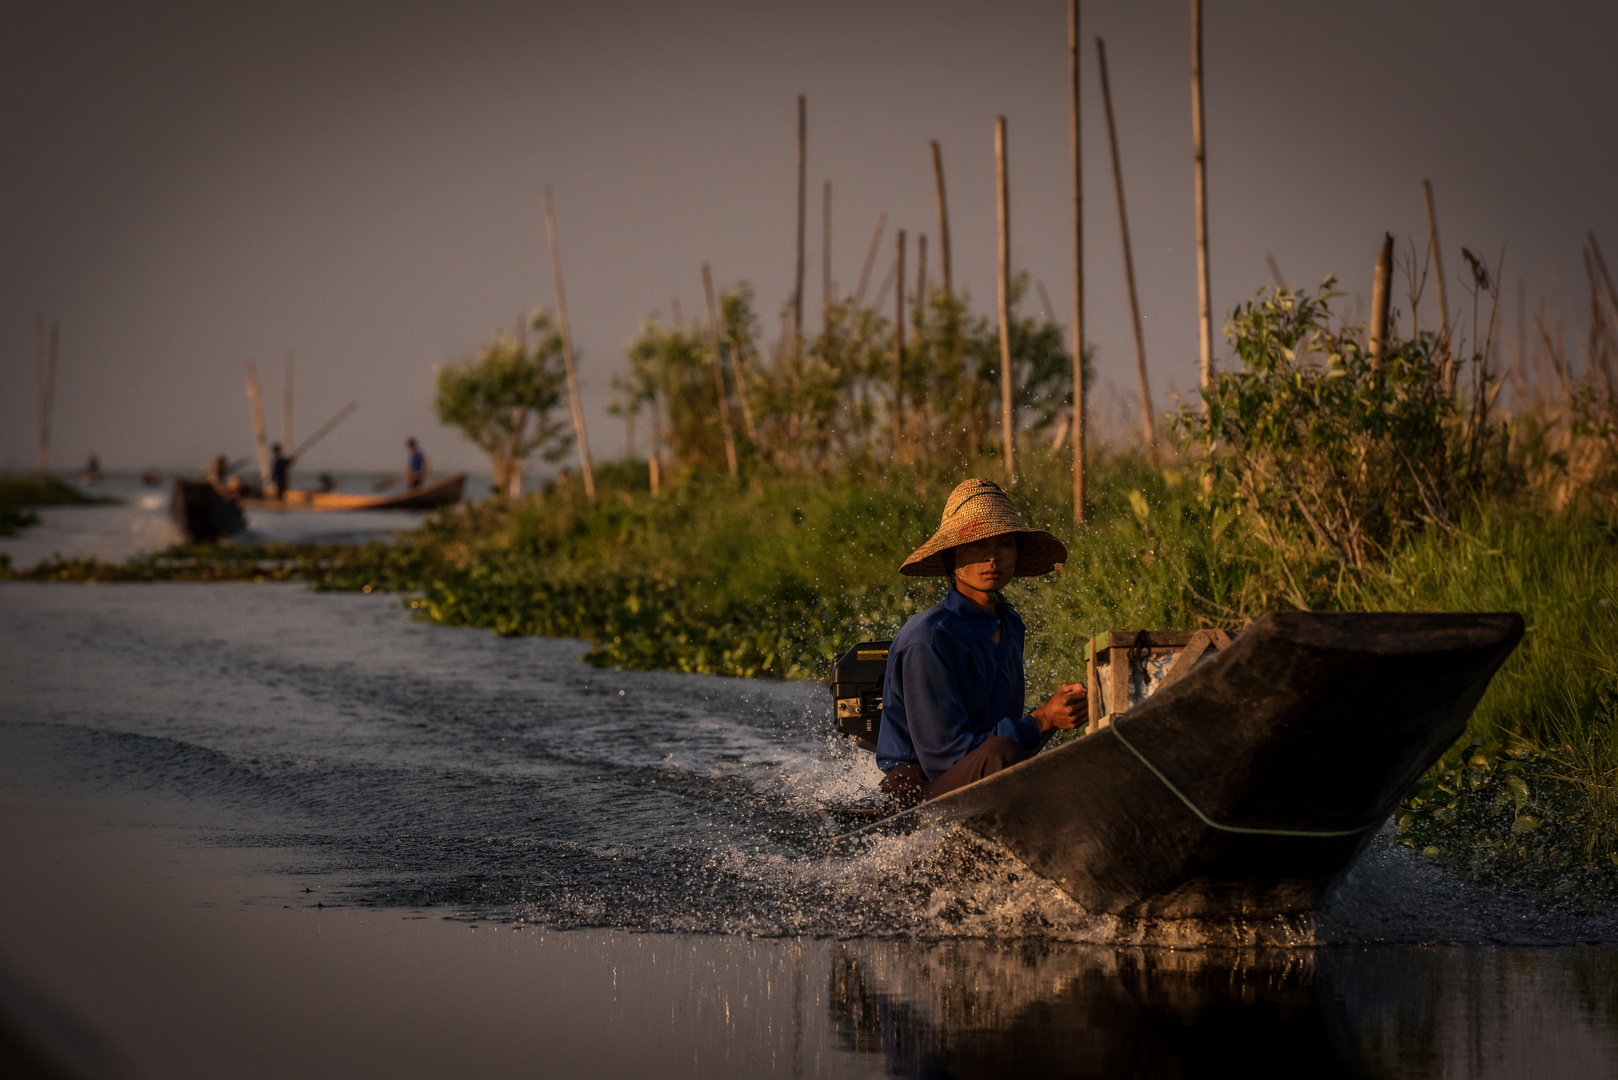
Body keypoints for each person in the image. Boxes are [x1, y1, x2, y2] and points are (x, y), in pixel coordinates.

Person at [876, 478, 1088, 802]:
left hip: (983, 774)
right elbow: (946, 759)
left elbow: (998, 739)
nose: (992, 557)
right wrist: (1043, 718)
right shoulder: (927, 640)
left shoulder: (1011, 624)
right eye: (977, 544)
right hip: (918, 793)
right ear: (951, 558)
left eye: (1005, 543)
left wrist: (1056, 718)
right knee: (1002, 752)